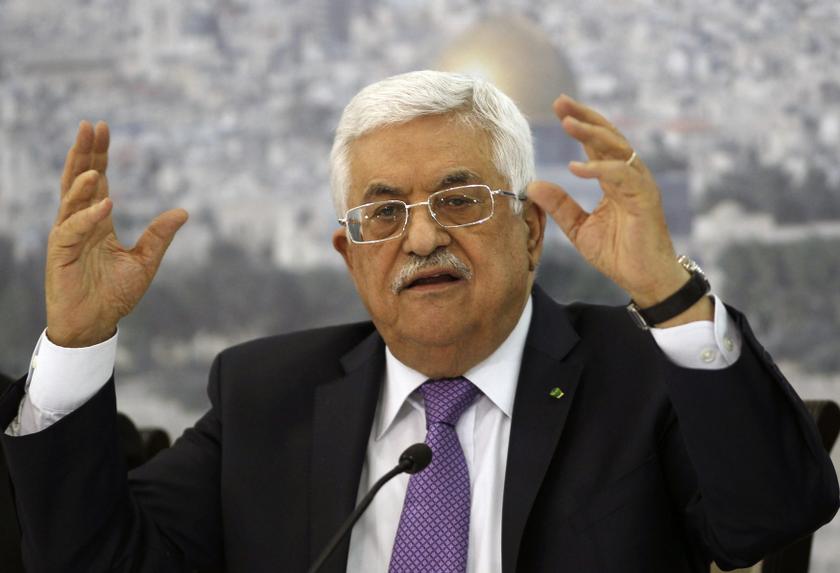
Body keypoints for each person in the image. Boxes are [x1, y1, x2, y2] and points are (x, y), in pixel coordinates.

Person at [0, 71, 837, 572]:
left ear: (532, 230)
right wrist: (75, 341)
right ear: (351, 254)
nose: (424, 234)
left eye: (461, 198)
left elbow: (773, 512)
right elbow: (98, 561)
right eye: (385, 211)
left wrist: (669, 294)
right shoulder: (266, 393)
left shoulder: (641, 369)